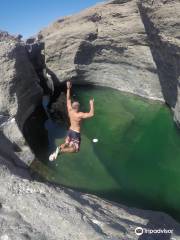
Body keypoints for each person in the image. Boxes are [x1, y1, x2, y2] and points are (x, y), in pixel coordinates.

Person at [49, 81, 94, 161]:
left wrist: (68, 88)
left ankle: (58, 149)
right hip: (76, 133)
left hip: (70, 131)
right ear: (77, 107)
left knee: (67, 143)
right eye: (78, 104)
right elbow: (91, 114)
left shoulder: (70, 110)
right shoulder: (79, 114)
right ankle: (60, 150)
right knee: (75, 149)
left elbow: (68, 98)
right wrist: (91, 104)